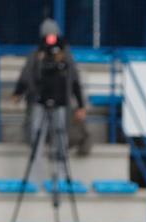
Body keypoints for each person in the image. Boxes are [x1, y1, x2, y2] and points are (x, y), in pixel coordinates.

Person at [12, 18, 89, 166]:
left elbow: (74, 81)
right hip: (39, 100)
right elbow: (27, 75)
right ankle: (36, 167)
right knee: (37, 134)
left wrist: (80, 105)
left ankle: (60, 170)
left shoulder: (66, 57)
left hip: (60, 101)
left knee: (60, 134)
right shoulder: (36, 55)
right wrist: (18, 92)